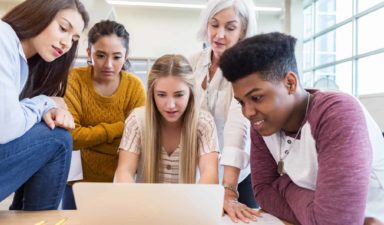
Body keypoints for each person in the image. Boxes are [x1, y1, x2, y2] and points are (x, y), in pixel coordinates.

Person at [219, 32, 384, 225]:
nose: (247, 112)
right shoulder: (262, 123)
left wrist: (281, 185)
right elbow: (263, 193)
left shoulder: (337, 113)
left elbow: (336, 222)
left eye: (256, 98)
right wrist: (318, 209)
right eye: (241, 102)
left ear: (290, 83)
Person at [0, 0, 89, 211]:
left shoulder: (24, 65)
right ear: (41, 12)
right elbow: (3, 127)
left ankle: (24, 215)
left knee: (49, 132)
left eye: (74, 38)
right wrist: (45, 103)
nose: (67, 43)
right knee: (57, 139)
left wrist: (44, 107)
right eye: (63, 28)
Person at [62, 20, 146, 209]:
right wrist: (119, 128)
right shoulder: (74, 80)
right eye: (100, 55)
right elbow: (71, 138)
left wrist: (90, 139)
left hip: (122, 182)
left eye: (117, 57)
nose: (108, 64)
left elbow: (138, 139)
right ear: (89, 53)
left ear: (126, 56)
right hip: (77, 186)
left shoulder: (134, 87)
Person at [189, 0, 260, 222]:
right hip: (200, 170)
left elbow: (237, 129)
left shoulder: (247, 70)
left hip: (237, 175)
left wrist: (228, 190)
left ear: (243, 31)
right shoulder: (193, 63)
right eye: (214, 25)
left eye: (230, 28)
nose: (219, 34)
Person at [114, 54, 219, 184]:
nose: (170, 105)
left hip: (190, 203)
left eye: (179, 95)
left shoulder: (204, 123)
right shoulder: (136, 121)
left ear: (190, 93)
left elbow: (210, 173)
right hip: (143, 203)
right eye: (161, 95)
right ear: (152, 94)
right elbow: (124, 171)